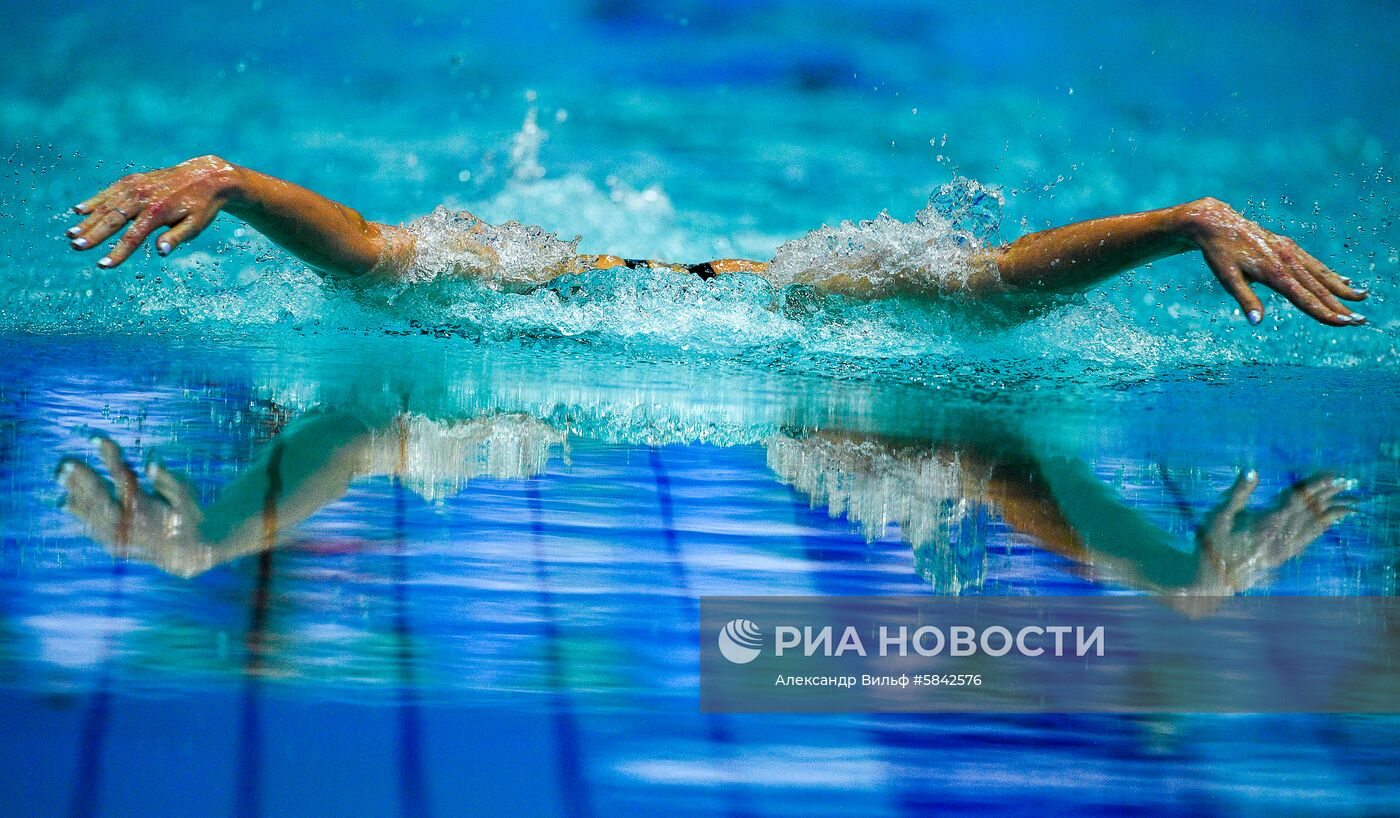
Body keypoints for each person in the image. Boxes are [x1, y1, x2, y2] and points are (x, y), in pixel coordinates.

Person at [65, 154, 1368, 326]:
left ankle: (1188, 217)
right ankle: (1184, 219)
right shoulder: (523, 287)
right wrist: (225, 184)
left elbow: (369, 253)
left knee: (966, 299)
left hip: (724, 288)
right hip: (642, 286)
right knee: (966, 299)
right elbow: (366, 251)